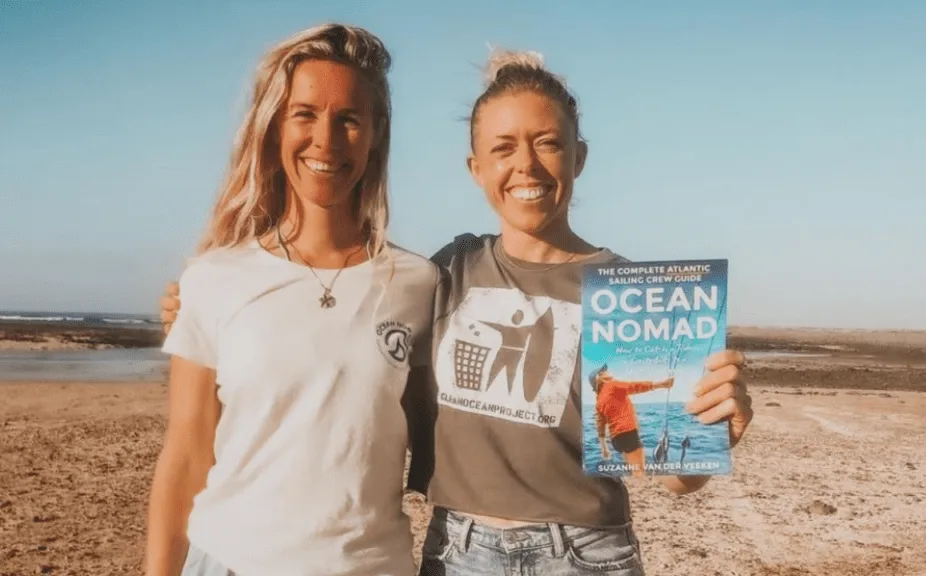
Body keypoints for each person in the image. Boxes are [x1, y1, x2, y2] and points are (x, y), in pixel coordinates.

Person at [159, 48, 754, 576]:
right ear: (475, 169)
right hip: (459, 550)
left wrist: (711, 425)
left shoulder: (631, 293)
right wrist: (203, 312)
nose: (526, 165)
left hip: (588, 553)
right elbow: (328, 323)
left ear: (579, 158)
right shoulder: (444, 274)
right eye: (503, 148)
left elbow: (673, 472)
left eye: (548, 143)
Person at [144, 23, 439, 576]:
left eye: (349, 118)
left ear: (376, 134)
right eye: (305, 114)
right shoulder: (214, 278)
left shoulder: (419, 284)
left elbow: (445, 435)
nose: (325, 140)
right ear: (275, 126)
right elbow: (185, 456)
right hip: (228, 562)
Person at [589, 364, 674, 477]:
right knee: (639, 469)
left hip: (616, 440)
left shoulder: (599, 401)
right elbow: (634, 386)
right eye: (603, 371)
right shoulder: (612, 385)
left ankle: (637, 483)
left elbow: (600, 427)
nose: (607, 371)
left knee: (633, 466)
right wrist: (661, 384)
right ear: (598, 378)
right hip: (628, 433)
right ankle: (642, 486)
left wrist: (604, 449)